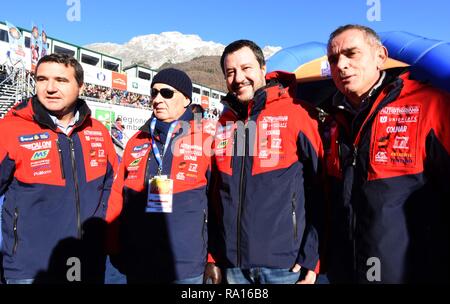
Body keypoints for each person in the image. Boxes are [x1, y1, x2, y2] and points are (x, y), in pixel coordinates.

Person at [323, 24, 450, 283]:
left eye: (351, 53)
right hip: (345, 273)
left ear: (380, 56)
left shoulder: (428, 105)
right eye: (334, 59)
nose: (341, 65)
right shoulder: (333, 122)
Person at [211, 39, 325, 284]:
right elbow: (215, 197)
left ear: (263, 69)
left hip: (286, 267)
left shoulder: (298, 113)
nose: (238, 78)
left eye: (246, 68)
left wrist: (312, 257)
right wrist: (213, 257)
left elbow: (323, 189)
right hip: (233, 268)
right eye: (230, 72)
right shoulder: (223, 125)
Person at [0, 53, 118, 283]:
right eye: (42, 79)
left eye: (61, 80)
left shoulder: (98, 132)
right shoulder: (10, 129)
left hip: (88, 264)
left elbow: (112, 188)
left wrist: (106, 242)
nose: (50, 88)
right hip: (29, 268)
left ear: (80, 86)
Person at [107, 68, 221, 284]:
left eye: (166, 93)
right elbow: (117, 196)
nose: (157, 99)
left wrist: (213, 258)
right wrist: (113, 245)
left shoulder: (206, 140)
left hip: (186, 267)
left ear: (186, 99)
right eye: (154, 93)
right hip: (139, 261)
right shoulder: (137, 140)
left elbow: (218, 205)